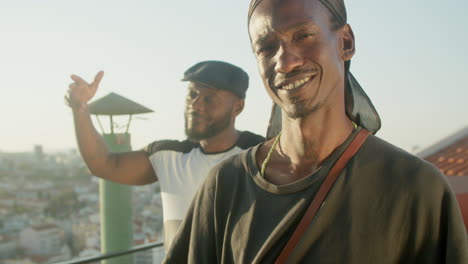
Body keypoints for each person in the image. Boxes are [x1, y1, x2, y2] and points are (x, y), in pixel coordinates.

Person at [163, 0, 468, 263]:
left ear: (346, 42)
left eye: (303, 35)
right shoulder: (226, 185)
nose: (284, 61)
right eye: (266, 47)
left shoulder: (416, 187)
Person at [65, 60, 265, 249]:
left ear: (237, 107)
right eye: (192, 94)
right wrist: (80, 109)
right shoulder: (169, 156)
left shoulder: (261, 155)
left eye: (209, 98)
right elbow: (104, 164)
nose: (195, 105)